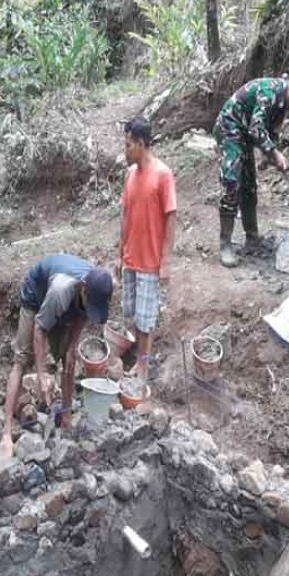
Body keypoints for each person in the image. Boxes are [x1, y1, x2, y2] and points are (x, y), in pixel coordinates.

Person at [2, 255, 114, 452]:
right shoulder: (61, 290)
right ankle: (6, 431)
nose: (91, 309)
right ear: (83, 288)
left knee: (69, 361)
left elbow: (83, 314)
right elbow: (39, 329)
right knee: (21, 361)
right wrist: (40, 374)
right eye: (90, 303)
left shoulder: (96, 289)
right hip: (36, 298)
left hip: (64, 304)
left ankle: (66, 417)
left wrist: (72, 347)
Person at [214, 71, 289, 268]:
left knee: (250, 185)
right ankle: (225, 245)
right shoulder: (270, 92)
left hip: (244, 134)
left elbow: (272, 132)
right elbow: (256, 127)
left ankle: (252, 239)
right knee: (232, 183)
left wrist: (268, 156)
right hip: (229, 127)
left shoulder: (283, 106)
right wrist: (275, 154)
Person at [118, 116, 177, 379]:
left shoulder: (163, 174)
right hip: (131, 258)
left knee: (146, 320)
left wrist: (165, 262)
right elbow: (125, 215)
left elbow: (171, 217)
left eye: (129, 145)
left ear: (141, 144)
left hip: (150, 261)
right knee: (134, 315)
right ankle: (139, 361)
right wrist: (120, 254)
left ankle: (143, 366)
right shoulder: (130, 175)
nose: (126, 150)